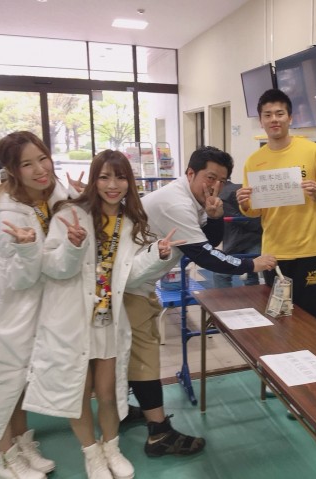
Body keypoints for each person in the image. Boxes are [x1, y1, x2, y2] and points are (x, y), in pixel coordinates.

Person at [23, 150, 178, 479]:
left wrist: (157, 255)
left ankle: (111, 447)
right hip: (73, 320)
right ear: (94, 180)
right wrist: (72, 246)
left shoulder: (132, 221)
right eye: (104, 177)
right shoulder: (71, 215)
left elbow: (130, 277)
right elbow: (53, 268)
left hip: (107, 320)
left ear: (129, 182)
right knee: (78, 392)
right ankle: (92, 454)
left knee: (108, 393)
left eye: (120, 177)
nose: (112, 185)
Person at [122, 146, 276, 458]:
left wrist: (216, 215)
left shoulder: (193, 198)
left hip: (137, 281)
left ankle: (121, 410)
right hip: (127, 284)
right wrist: (252, 264)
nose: (215, 186)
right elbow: (205, 255)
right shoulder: (176, 202)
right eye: (210, 177)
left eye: (221, 180)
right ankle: (159, 434)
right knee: (145, 359)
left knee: (131, 355)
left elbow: (209, 239)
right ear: (190, 173)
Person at [0, 131, 66, 479]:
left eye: (42, 158)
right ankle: (3, 455)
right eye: (27, 164)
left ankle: (22, 443)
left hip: (25, 308)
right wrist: (26, 249)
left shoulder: (48, 196)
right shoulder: (5, 216)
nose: (40, 169)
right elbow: (21, 278)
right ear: (12, 170)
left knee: (20, 379)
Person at [237, 88, 316, 320]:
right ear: (261, 121)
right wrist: (244, 204)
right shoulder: (254, 161)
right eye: (268, 115)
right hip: (274, 253)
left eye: (280, 113)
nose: (274, 119)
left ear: (290, 118)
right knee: (279, 320)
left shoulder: (313, 151)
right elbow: (254, 211)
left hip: (311, 250)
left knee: (312, 319)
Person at [212, 180, 262, 288]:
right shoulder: (242, 187)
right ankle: (253, 297)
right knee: (252, 272)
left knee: (221, 274)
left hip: (237, 241)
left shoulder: (222, 197)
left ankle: (224, 298)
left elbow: (240, 220)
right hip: (256, 238)